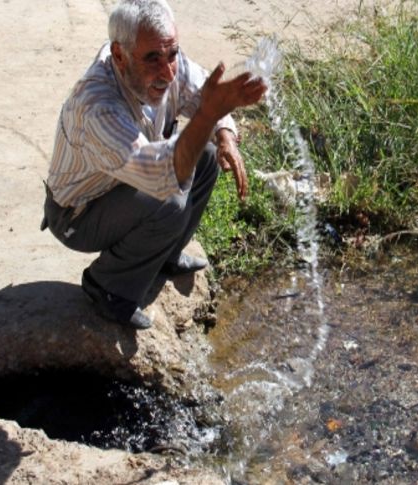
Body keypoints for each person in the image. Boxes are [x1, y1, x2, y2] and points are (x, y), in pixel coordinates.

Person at [42, 0, 266, 329]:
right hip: (78, 215)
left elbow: (207, 92)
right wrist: (208, 114)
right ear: (119, 55)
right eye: (153, 59)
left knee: (204, 156)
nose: (167, 71)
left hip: (123, 186)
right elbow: (162, 179)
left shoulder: (161, 59)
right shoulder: (97, 106)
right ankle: (107, 287)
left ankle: (165, 255)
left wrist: (224, 133)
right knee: (170, 201)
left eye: (172, 54)